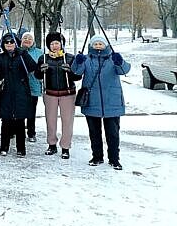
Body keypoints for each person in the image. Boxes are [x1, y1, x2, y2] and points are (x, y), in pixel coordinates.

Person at [71, 35, 131, 170]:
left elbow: (124, 70)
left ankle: (114, 159)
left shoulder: (112, 58)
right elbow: (76, 72)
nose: (98, 46)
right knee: (94, 132)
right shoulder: (87, 59)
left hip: (112, 101)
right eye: (95, 44)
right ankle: (97, 156)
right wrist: (77, 61)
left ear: (106, 45)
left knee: (113, 133)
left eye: (100, 44)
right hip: (92, 100)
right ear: (91, 46)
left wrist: (120, 61)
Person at [35, 32, 81, 159]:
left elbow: (78, 76)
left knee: (67, 121)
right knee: (50, 121)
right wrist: (40, 70)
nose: (54, 46)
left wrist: (71, 71)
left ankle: (65, 146)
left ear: (62, 44)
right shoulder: (43, 58)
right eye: (51, 44)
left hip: (68, 94)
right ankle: (52, 144)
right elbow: (37, 75)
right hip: (50, 93)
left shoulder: (70, 58)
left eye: (57, 43)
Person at [0, 33, 38, 156]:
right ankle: (4, 146)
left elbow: (33, 67)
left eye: (11, 42)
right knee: (6, 121)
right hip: (5, 92)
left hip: (21, 92)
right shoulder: (1, 57)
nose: (9, 44)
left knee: (20, 120)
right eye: (6, 42)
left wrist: (24, 53)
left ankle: (21, 148)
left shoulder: (22, 55)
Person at [20, 32, 43, 142]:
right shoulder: (18, 51)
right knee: (18, 109)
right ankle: (16, 130)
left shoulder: (39, 52)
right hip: (20, 85)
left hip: (33, 84)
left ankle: (31, 132)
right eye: (25, 38)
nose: (27, 40)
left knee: (31, 110)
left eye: (30, 38)